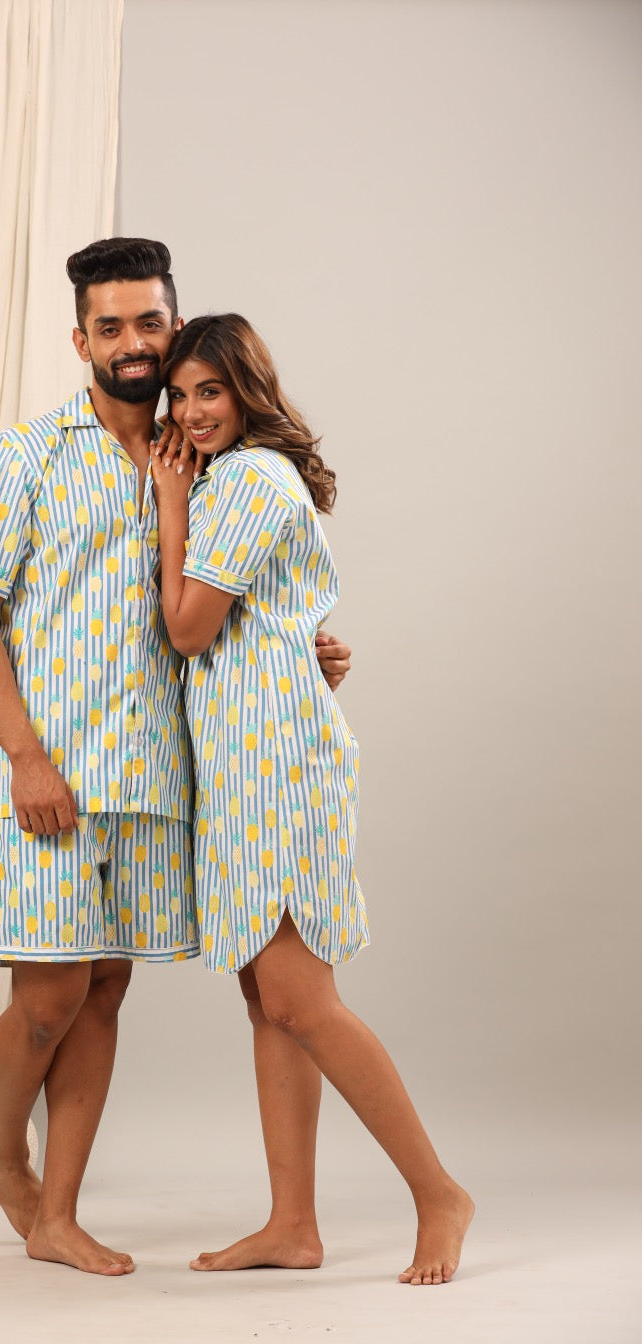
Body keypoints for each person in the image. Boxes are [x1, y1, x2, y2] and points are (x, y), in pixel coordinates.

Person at [0, 240, 352, 1276]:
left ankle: (58, 1216)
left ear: (174, 326)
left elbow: (227, 607)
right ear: (81, 339)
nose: (133, 344)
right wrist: (24, 756)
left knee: (105, 992)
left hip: (164, 781)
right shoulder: (22, 457)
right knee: (46, 1001)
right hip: (52, 778)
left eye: (149, 323)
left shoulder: (205, 457)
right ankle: (1, 1147)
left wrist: (301, 655)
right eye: (111, 326)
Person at [150, 313, 474, 1285]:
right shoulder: (240, 480)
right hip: (253, 754)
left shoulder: (242, 480)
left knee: (299, 995)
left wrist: (169, 503)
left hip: (274, 766)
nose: (192, 412)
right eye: (179, 394)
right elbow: (275, 629)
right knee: (268, 998)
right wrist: (309, 661)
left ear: (248, 389)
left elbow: (189, 630)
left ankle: (436, 1193)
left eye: (209, 390)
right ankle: (291, 1223)